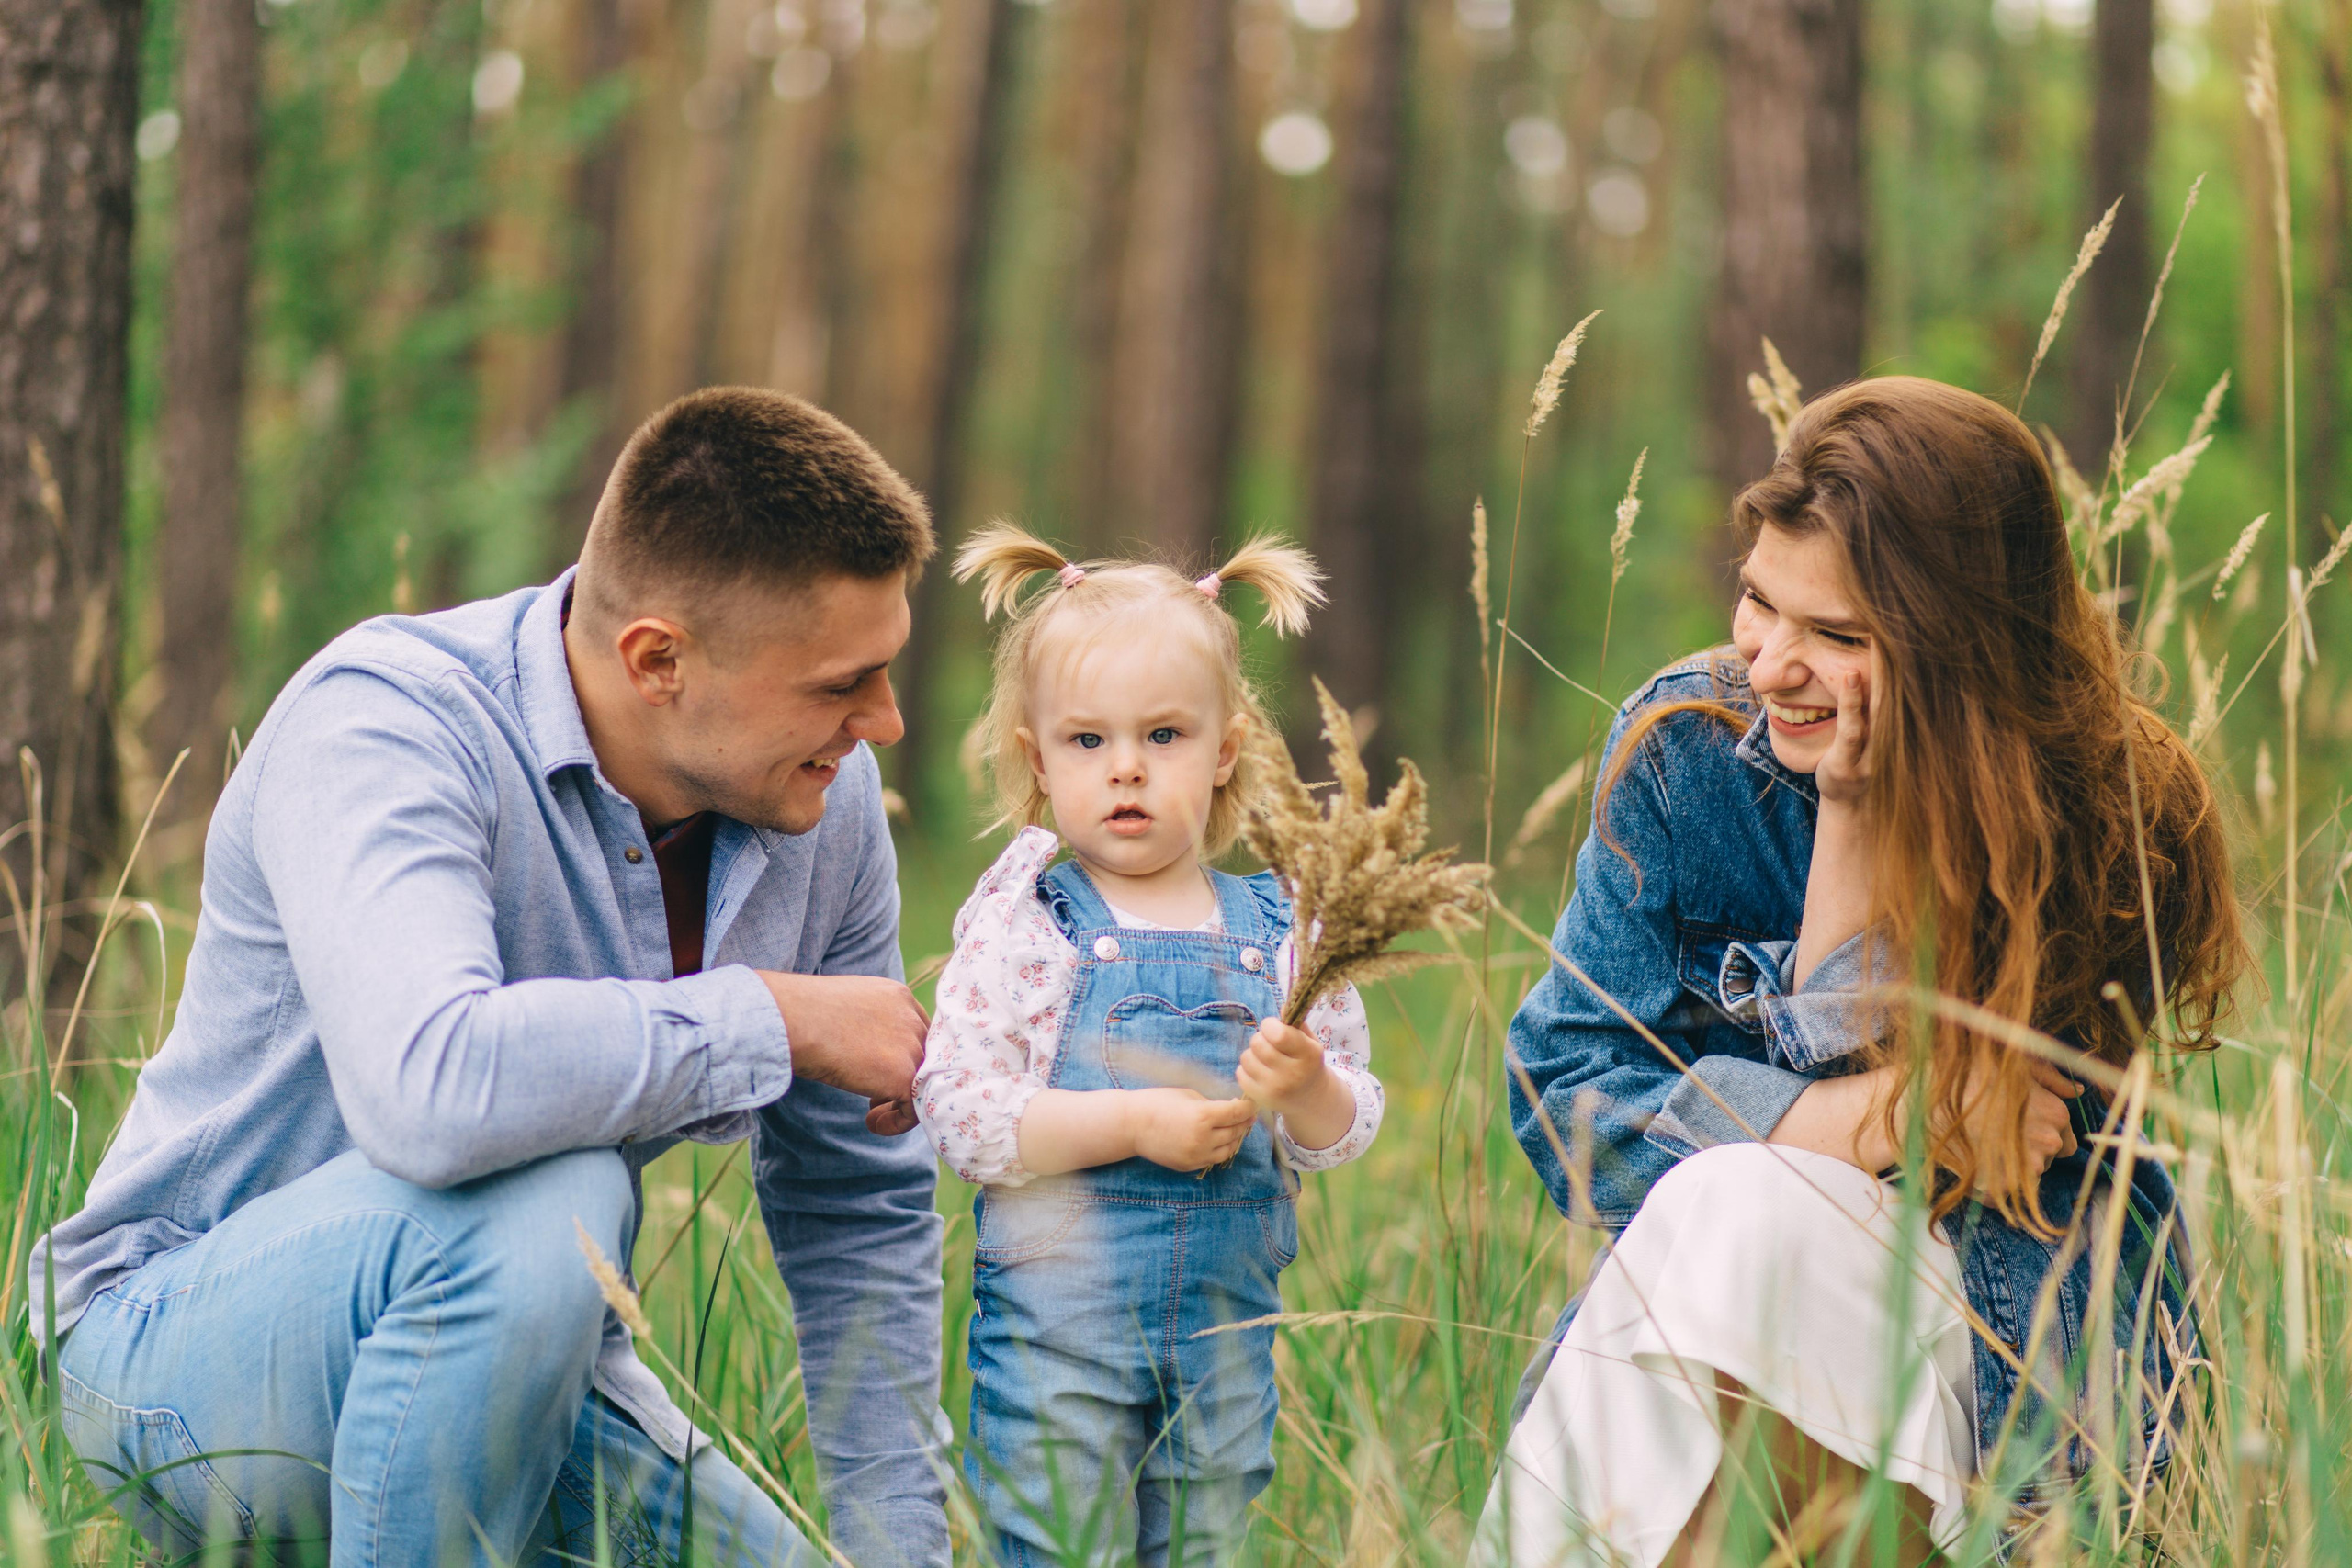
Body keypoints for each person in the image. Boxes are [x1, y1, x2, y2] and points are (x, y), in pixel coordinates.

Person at [35, 388, 956, 1567]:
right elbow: (431, 1091)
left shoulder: (820, 803)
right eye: (838, 685)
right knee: (554, 1194)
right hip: (180, 1369)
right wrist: (770, 1017)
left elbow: (857, 1212)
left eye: (884, 672)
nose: (884, 722)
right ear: (659, 660)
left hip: (530, 1384)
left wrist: (902, 1551)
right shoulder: (385, 724)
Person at [1480, 377, 2245, 1566]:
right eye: (1757, 599)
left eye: (1837, 637)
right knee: (1735, 1207)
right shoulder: (1688, 755)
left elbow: (1979, 1179)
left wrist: (1852, 817)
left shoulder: (2108, 811)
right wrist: (1880, 1110)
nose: (1769, 665)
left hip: (2004, 1359)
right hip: (1738, 1318)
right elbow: (1562, 1095)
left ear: (1962, 649)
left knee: (1742, 1206)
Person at [912, 526, 1385, 1567]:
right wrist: (1129, 1122)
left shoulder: (1283, 930)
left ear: (1226, 750)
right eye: (1087, 740)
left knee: (1208, 1540)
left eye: (1164, 734)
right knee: (1059, 1540)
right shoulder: (1029, 924)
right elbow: (962, 1112)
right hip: (1057, 1342)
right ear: (1038, 758)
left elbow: (1342, 1127)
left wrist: (1309, 1087)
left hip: (1225, 1340)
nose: (1126, 767)